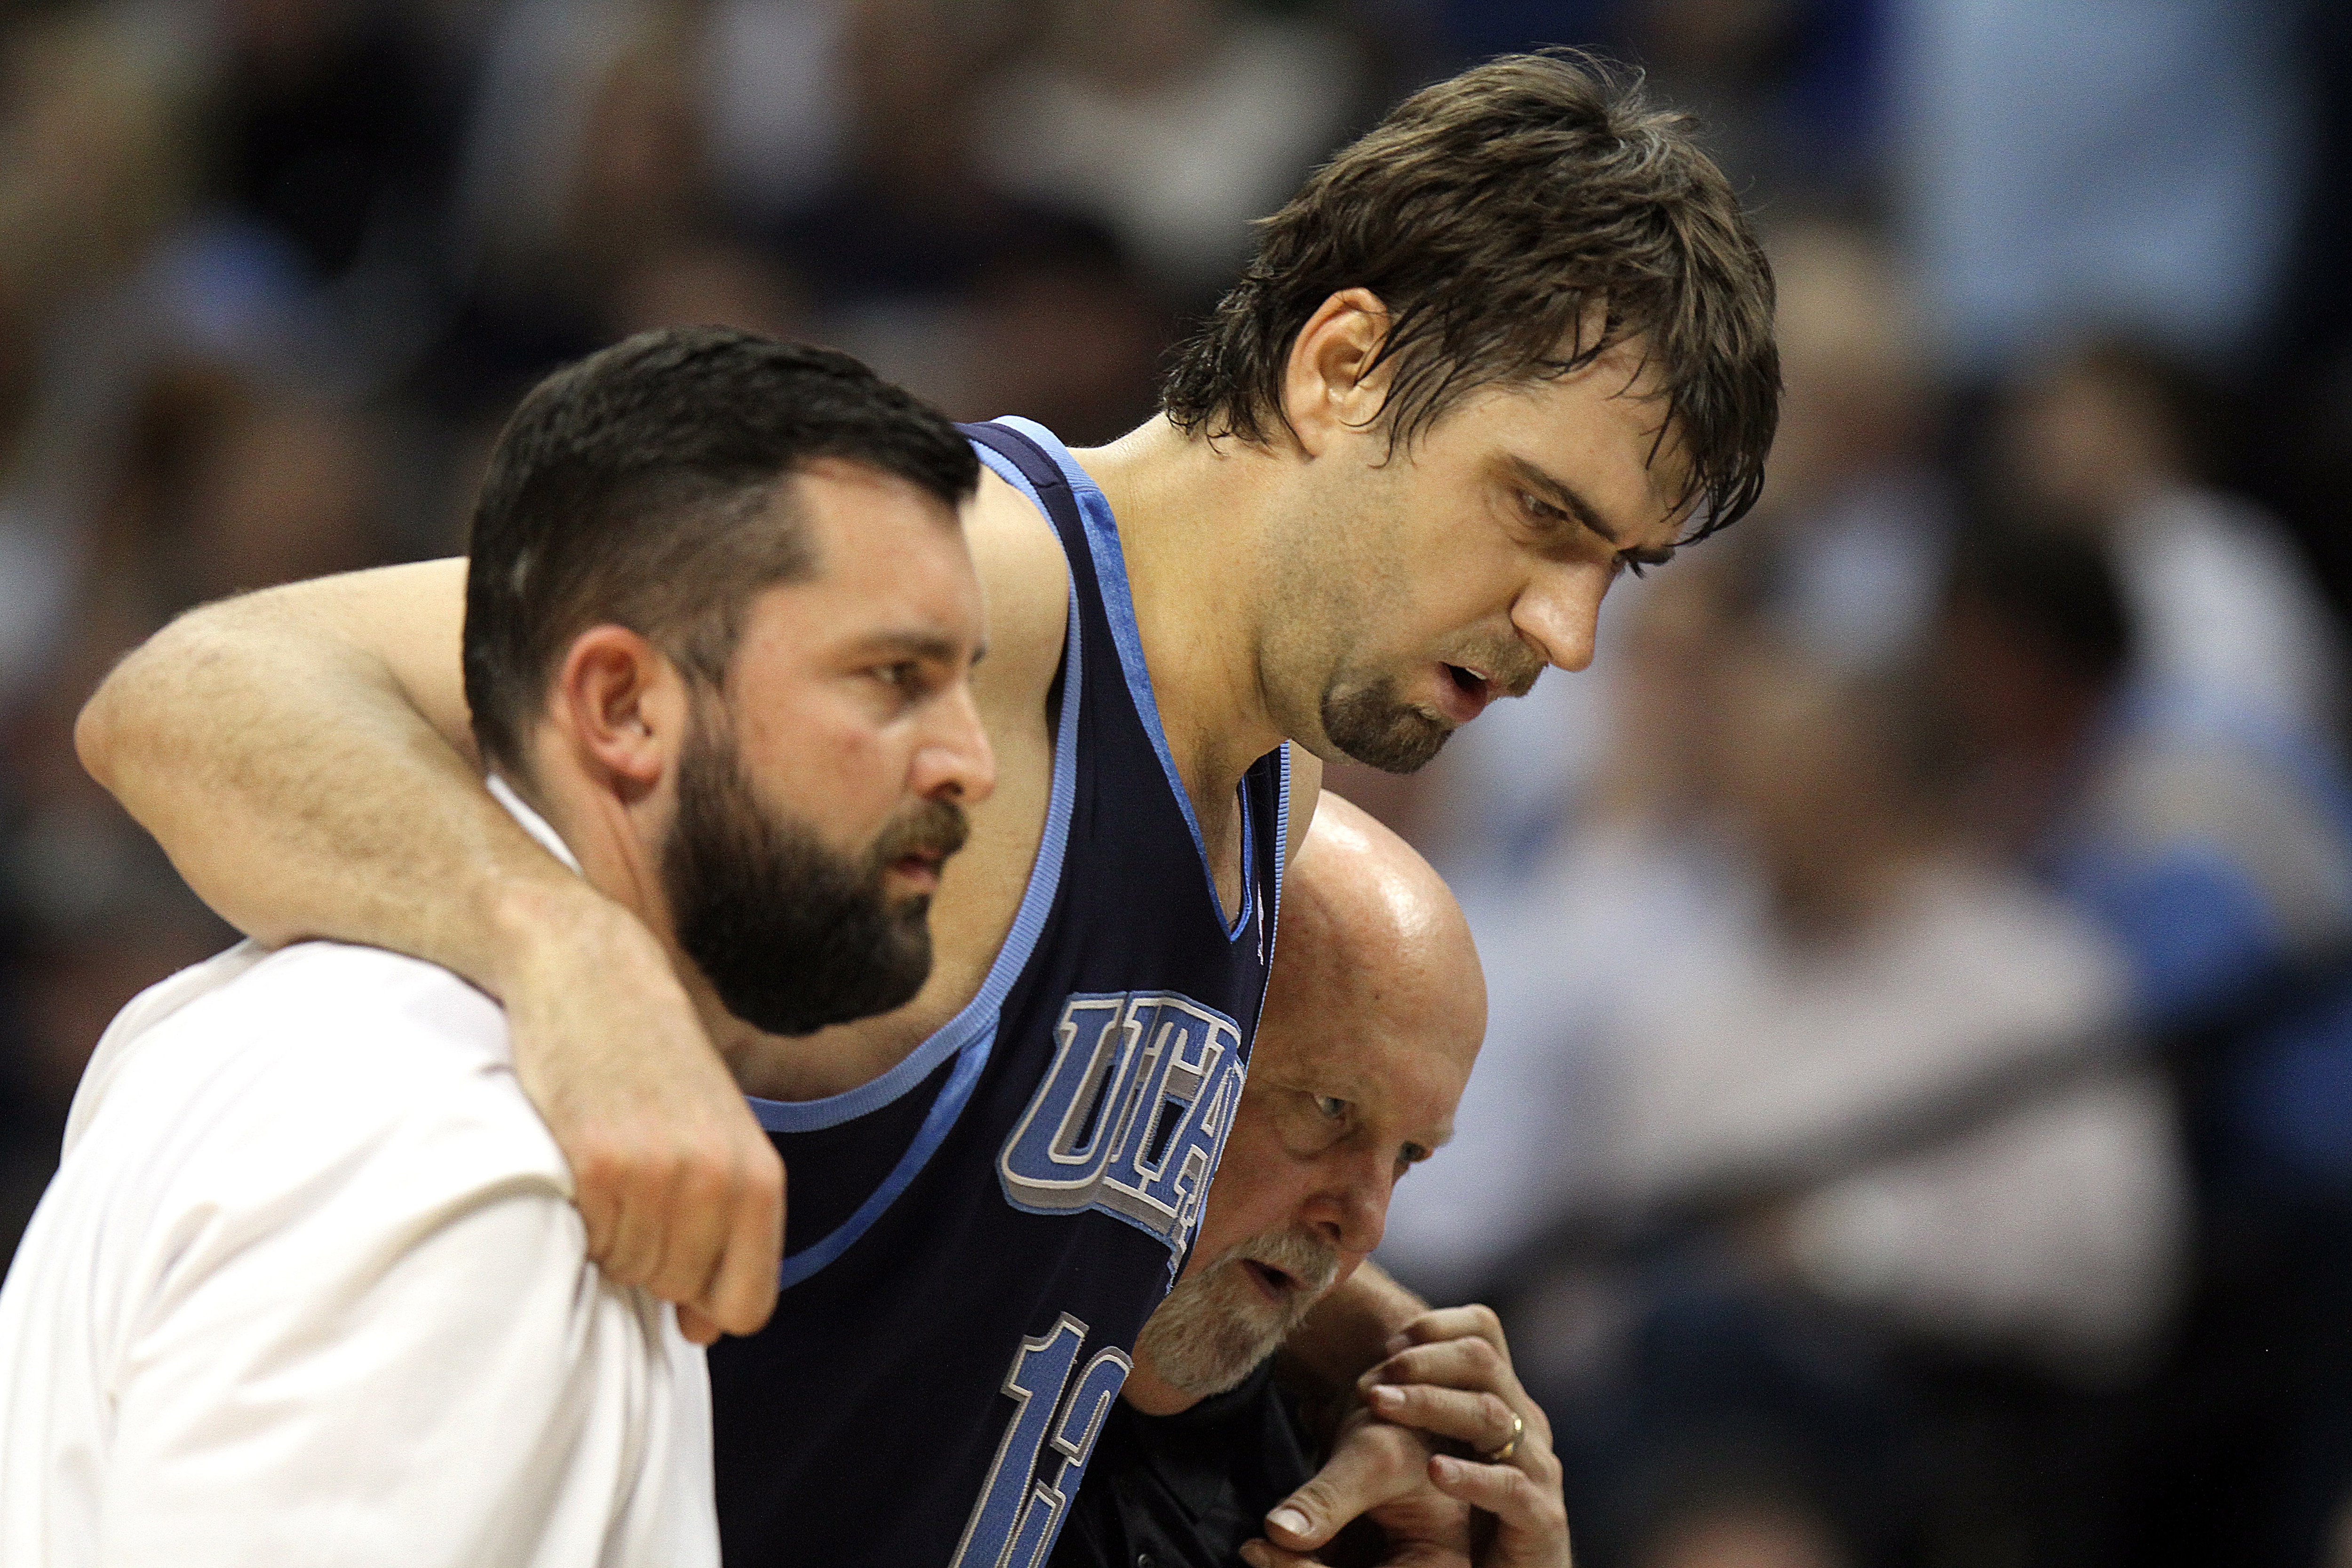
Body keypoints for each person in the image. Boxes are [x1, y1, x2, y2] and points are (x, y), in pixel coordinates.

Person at [77, 53, 1779, 1567]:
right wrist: (565, 962)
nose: (1570, 631)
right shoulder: (966, 588)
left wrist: (1369, 1340)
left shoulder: (1273, 772)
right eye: (1539, 514)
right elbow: (208, 688)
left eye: (1617, 567)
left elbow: (1019, 1193)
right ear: (1344, 365)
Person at [0, 328, 994, 1566]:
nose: (972, 760)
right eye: (893, 676)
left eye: (967, 680)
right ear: (622, 705)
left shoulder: (372, 1043)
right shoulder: (454, 1143)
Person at [1054, 795, 1570, 1568]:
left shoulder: (1359, 1495)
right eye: (1331, 1107)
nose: (1367, 1223)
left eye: (1409, 1155)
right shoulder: (900, 1300)